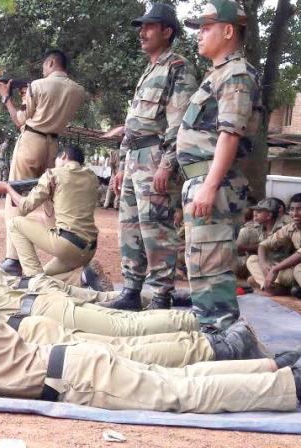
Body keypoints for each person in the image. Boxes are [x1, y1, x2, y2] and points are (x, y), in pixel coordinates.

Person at [0, 257, 301, 416]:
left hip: (76, 375)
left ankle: (297, 382)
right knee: (182, 376)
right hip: (73, 361)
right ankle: (277, 366)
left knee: (184, 392)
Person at [153, 0, 263, 330]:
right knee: (200, 266)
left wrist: (209, 186)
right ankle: (212, 335)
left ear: (228, 31)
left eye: (206, 28)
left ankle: (223, 343)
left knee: (211, 269)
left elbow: (229, 135)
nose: (199, 35)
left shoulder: (236, 75)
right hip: (201, 182)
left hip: (213, 185)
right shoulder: (218, 74)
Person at [103, 2, 198, 311]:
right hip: (135, 159)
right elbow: (133, 123)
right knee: (129, 226)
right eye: (141, 27)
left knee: (156, 230)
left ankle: (160, 296)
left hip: (156, 156)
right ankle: (131, 290)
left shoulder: (178, 66)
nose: (142, 32)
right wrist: (121, 163)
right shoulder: (150, 69)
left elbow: (180, 123)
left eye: (149, 27)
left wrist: (167, 165)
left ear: (167, 31)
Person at [0, 229, 203, 337]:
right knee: (108, 303)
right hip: (37, 288)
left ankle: (202, 323)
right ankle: (175, 301)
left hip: (40, 305)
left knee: (121, 326)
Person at [0, 50, 87, 276]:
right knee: (51, 197)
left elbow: (21, 119)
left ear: (51, 62)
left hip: (31, 141)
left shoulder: (38, 85)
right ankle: (62, 249)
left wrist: (7, 98)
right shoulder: (78, 90)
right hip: (53, 147)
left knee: (15, 196)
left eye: (44, 66)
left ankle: (12, 258)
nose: (42, 71)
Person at [0, 146, 99, 280]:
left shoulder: (53, 175)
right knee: (47, 275)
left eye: (56, 161)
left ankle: (34, 280)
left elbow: (26, 206)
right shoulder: (91, 177)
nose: (55, 165)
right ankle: (83, 279)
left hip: (68, 246)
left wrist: (7, 188)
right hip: (89, 249)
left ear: (64, 156)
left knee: (15, 223)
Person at [246, 193, 301, 295]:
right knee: (252, 259)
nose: (294, 213)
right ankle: (269, 287)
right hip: (286, 266)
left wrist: (275, 269)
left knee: (285, 275)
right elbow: (263, 245)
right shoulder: (292, 226)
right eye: (292, 209)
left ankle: (271, 286)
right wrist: (263, 265)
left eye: (300, 209)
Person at [236, 198, 287, 276]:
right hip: (264, 263)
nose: (255, 214)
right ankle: (265, 285)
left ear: (269, 215)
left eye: (259, 212)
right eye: (255, 211)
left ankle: (267, 284)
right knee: (249, 260)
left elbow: (269, 246)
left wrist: (250, 247)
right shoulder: (260, 227)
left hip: (279, 265)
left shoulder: (283, 228)